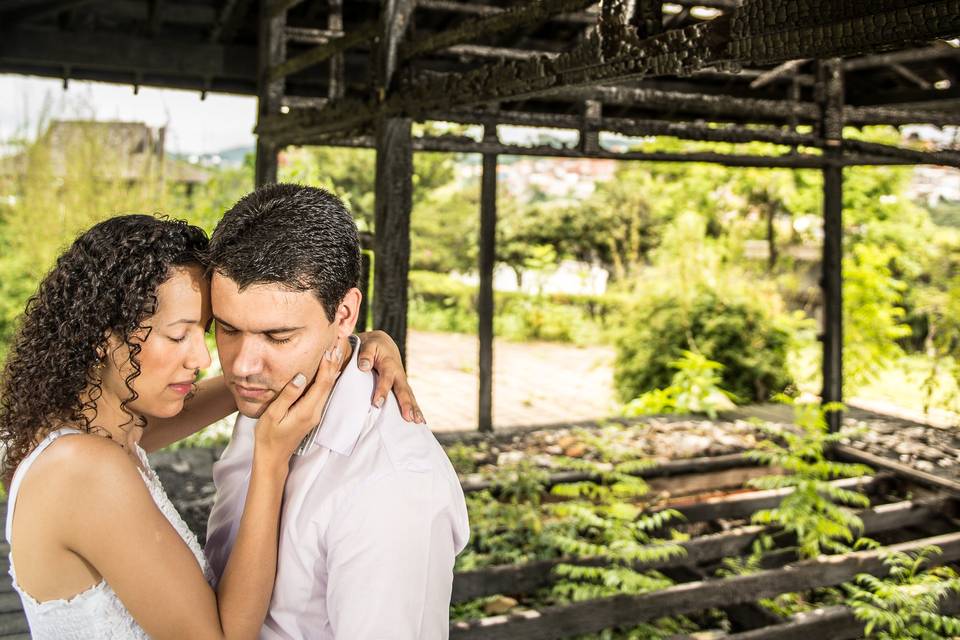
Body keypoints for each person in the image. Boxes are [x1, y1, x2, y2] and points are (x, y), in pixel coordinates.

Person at [0, 214, 419, 639]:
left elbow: (207, 400)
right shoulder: (85, 469)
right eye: (178, 336)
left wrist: (338, 346)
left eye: (207, 331)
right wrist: (270, 460)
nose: (202, 359)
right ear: (105, 338)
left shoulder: (81, 427)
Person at [205, 184, 470, 639]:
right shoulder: (272, 394)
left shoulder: (392, 486)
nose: (242, 366)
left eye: (278, 336)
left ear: (345, 314)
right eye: (227, 329)